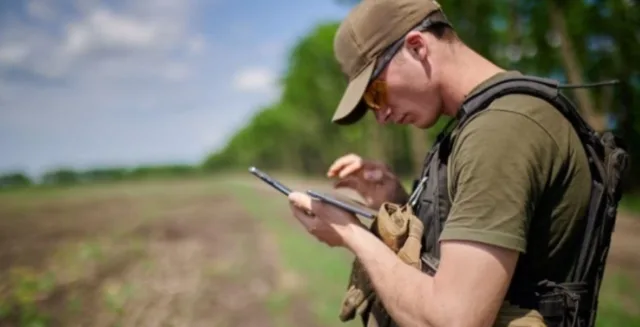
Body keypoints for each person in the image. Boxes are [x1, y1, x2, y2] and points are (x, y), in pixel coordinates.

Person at [286, 0, 596, 326]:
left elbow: (452, 319)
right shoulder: (479, 124)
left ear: (418, 47)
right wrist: (393, 200)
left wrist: (349, 232)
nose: (380, 116)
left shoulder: (500, 131)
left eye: (375, 94)